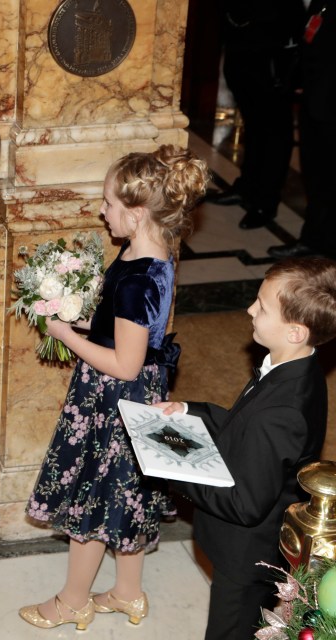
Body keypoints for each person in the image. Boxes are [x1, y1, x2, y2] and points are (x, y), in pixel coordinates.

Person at [19, 145, 209, 630]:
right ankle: (127, 592)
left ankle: (72, 601)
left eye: (108, 203)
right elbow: (136, 334)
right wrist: (82, 319)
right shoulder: (152, 254)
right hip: (141, 389)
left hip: (114, 398)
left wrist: (64, 335)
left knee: (94, 496)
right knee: (127, 492)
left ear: (138, 211)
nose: (102, 210)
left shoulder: (136, 279)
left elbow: (124, 363)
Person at [156, 258, 334, 640]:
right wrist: (192, 410)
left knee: (229, 630)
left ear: (295, 331)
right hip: (248, 547)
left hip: (245, 556)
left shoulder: (283, 411)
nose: (250, 309)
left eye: (262, 306)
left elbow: (244, 504)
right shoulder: (294, 368)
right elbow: (245, 426)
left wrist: (175, 471)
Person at [206, 0, 305, 229]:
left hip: (273, 57)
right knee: (254, 127)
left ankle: (265, 202)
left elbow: (289, 16)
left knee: (275, 132)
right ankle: (247, 188)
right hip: (242, 52)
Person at [268, 0, 336, 258]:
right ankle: (312, 240)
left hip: (330, 105)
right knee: (316, 177)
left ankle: (327, 247)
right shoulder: (321, 3)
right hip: (313, 101)